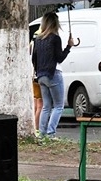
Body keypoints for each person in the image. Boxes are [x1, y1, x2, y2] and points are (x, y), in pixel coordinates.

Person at [32, 11, 74, 139]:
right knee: (59, 106)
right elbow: (59, 58)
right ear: (55, 23)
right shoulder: (55, 38)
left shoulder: (38, 39)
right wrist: (68, 46)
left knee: (46, 106)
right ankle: (51, 133)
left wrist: (39, 72)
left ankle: (42, 133)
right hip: (53, 73)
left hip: (41, 76)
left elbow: (34, 58)